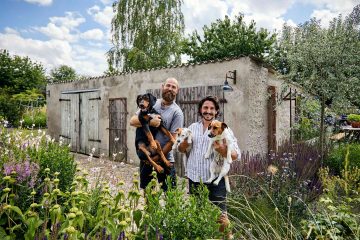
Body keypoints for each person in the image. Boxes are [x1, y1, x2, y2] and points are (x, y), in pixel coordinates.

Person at [178, 95, 240, 238]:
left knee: (221, 219)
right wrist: (185, 144)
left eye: (212, 108)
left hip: (216, 181)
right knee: (198, 215)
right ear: (200, 110)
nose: (208, 111)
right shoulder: (192, 128)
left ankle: (228, 238)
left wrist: (223, 150)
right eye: (205, 108)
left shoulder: (224, 130)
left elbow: (237, 155)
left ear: (216, 111)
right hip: (195, 179)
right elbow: (181, 150)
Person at [130, 77, 184, 191]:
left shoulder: (177, 113)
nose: (170, 89)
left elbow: (172, 141)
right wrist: (151, 121)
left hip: (164, 158)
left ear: (177, 90)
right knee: (148, 193)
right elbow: (132, 121)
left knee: (170, 196)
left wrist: (155, 158)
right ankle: (150, 210)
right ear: (162, 87)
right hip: (147, 155)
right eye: (168, 85)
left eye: (173, 87)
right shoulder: (151, 102)